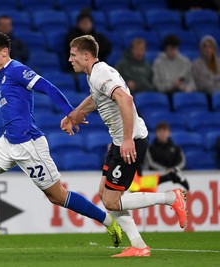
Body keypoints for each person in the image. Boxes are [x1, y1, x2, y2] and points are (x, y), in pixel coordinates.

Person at [0, 32, 122, 250]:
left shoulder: (17, 70)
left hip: (29, 145)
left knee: (57, 196)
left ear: (4, 52)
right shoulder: (2, 74)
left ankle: (108, 222)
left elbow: (47, 87)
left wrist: (71, 113)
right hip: (8, 142)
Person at [62, 35, 187, 257]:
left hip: (130, 141)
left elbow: (126, 100)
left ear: (86, 55)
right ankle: (138, 246)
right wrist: (74, 115)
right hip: (120, 142)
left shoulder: (101, 73)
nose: (70, 59)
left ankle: (171, 197)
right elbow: (96, 99)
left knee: (112, 200)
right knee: (104, 194)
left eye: (73, 55)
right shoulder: (95, 75)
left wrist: (128, 138)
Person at [145, 122, 190, 191]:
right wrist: (165, 170)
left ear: (169, 133)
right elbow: (151, 163)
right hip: (157, 178)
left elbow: (182, 162)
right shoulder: (150, 149)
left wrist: (174, 169)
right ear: (156, 133)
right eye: (159, 131)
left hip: (174, 176)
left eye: (164, 130)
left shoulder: (176, 148)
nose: (162, 133)